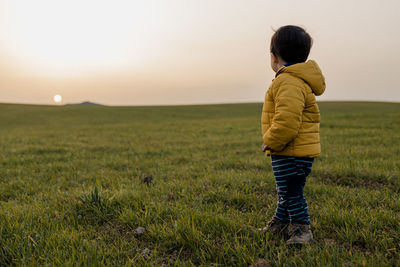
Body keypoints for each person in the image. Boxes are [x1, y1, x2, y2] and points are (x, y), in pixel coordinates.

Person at [259, 25, 326, 245]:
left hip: (291, 151)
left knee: (292, 192)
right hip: (292, 151)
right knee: (286, 189)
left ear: (274, 56)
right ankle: (280, 222)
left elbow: (288, 120)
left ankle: (301, 230)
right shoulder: (295, 80)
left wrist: (270, 140)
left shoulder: (288, 81)